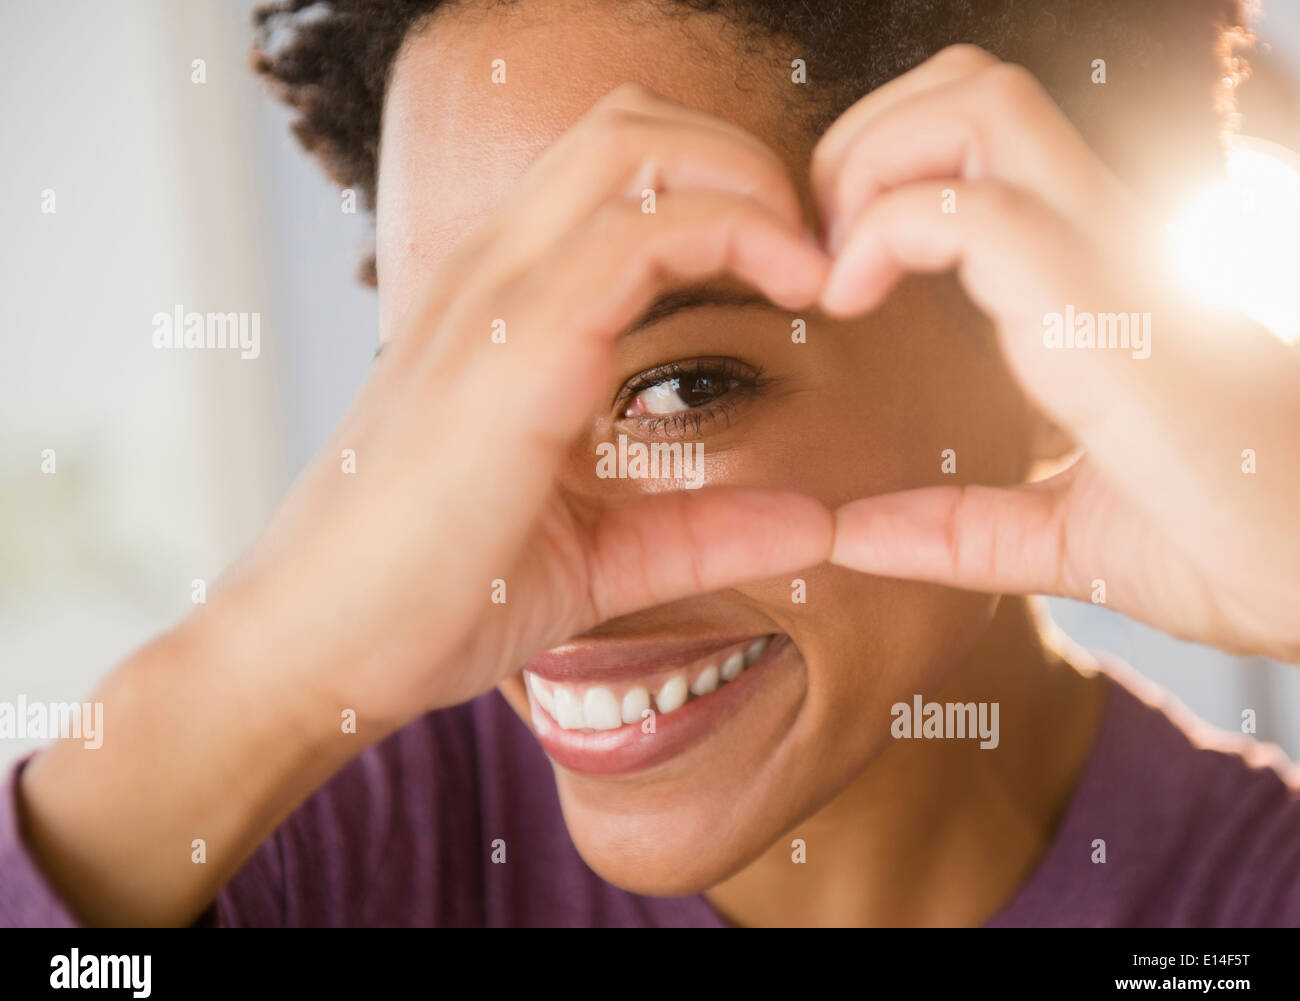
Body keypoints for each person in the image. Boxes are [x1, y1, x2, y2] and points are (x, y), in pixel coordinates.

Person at [4, 0, 1298, 928]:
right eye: (448, 403)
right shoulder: (296, 858)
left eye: (680, 388)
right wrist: (251, 669)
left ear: (1046, 358)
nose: (504, 551)